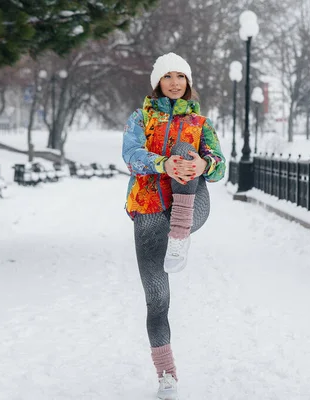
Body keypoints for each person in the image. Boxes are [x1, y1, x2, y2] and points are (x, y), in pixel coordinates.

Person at [122, 52, 225, 400]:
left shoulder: (200, 121)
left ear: (188, 82)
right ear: (157, 82)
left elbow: (221, 164)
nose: (175, 82)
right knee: (157, 299)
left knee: (186, 149)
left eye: (181, 76)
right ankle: (166, 375)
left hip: (192, 205)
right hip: (149, 207)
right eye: (168, 76)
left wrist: (202, 165)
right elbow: (131, 154)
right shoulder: (140, 118)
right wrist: (163, 164)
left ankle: (180, 235)